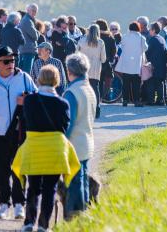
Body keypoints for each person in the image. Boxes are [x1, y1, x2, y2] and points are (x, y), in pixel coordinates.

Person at [13, 65, 79, 232]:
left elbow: (26, 121)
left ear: (39, 79)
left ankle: (29, 222)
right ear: (56, 80)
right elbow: (64, 127)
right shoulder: (63, 103)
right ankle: (43, 225)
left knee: (33, 187)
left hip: (34, 147)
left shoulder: (30, 100)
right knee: (50, 189)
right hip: (55, 149)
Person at [0, 46, 37, 220]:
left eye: (12, 60)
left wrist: (27, 100)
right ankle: (4, 203)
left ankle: (19, 204)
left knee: (19, 169)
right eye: (6, 61)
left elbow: (37, 97)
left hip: (19, 132)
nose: (11, 63)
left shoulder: (24, 77)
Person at [62, 53, 96, 217]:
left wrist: (61, 141)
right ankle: (84, 214)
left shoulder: (72, 92)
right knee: (83, 181)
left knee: (74, 184)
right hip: (87, 142)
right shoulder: (89, 89)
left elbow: (67, 122)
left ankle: (74, 218)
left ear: (69, 71)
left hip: (74, 144)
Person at [115, 21, 148, 107]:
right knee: (136, 84)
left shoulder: (125, 37)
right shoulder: (141, 38)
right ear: (138, 28)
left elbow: (122, 46)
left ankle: (125, 100)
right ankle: (136, 101)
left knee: (126, 83)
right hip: (136, 64)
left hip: (126, 64)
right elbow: (145, 48)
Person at [78, 24, 106, 118]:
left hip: (84, 67)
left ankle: (84, 109)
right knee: (95, 88)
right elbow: (103, 59)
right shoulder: (101, 42)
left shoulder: (82, 41)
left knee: (83, 89)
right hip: (95, 68)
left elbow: (77, 54)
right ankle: (97, 109)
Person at [146, 22, 167, 105]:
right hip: (161, 65)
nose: (149, 31)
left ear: (154, 30)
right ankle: (160, 100)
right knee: (159, 83)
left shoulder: (153, 39)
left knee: (151, 83)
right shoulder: (161, 38)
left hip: (154, 65)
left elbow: (148, 52)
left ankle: (151, 100)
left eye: (150, 29)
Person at [96, 19, 117, 102]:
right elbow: (114, 51)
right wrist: (111, 59)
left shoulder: (96, 37)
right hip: (107, 63)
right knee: (107, 81)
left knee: (98, 81)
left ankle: (98, 98)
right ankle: (104, 96)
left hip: (97, 62)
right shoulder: (110, 37)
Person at [19, 4, 40, 74]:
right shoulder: (27, 20)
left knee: (24, 72)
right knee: (26, 73)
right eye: (33, 10)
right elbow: (35, 36)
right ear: (27, 10)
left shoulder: (27, 19)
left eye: (35, 11)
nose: (34, 13)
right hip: (28, 50)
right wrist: (38, 32)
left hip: (25, 49)